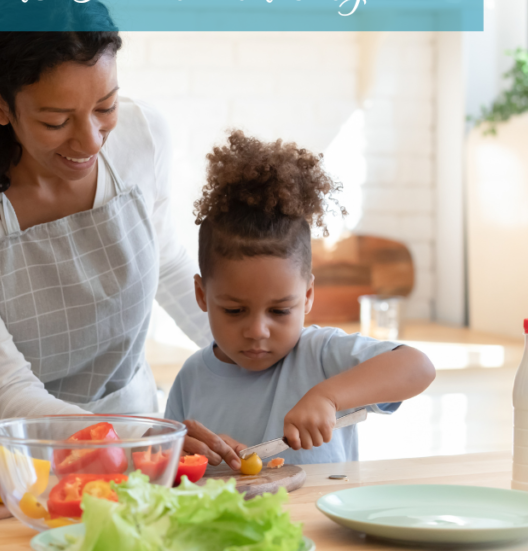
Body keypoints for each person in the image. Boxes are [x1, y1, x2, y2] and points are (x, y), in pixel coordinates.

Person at [0, 0, 238, 463]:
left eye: (106, 106)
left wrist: (265, 349)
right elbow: (4, 384)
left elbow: (164, 262)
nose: (91, 141)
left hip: (138, 429)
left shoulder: (143, 135)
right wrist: (135, 440)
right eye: (56, 121)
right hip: (17, 457)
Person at [165, 131, 436, 468]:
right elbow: (166, 466)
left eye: (279, 310)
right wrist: (174, 454)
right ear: (202, 294)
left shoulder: (323, 357)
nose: (257, 330)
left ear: (307, 295)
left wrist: (329, 397)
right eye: (235, 310)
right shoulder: (191, 378)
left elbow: (418, 367)